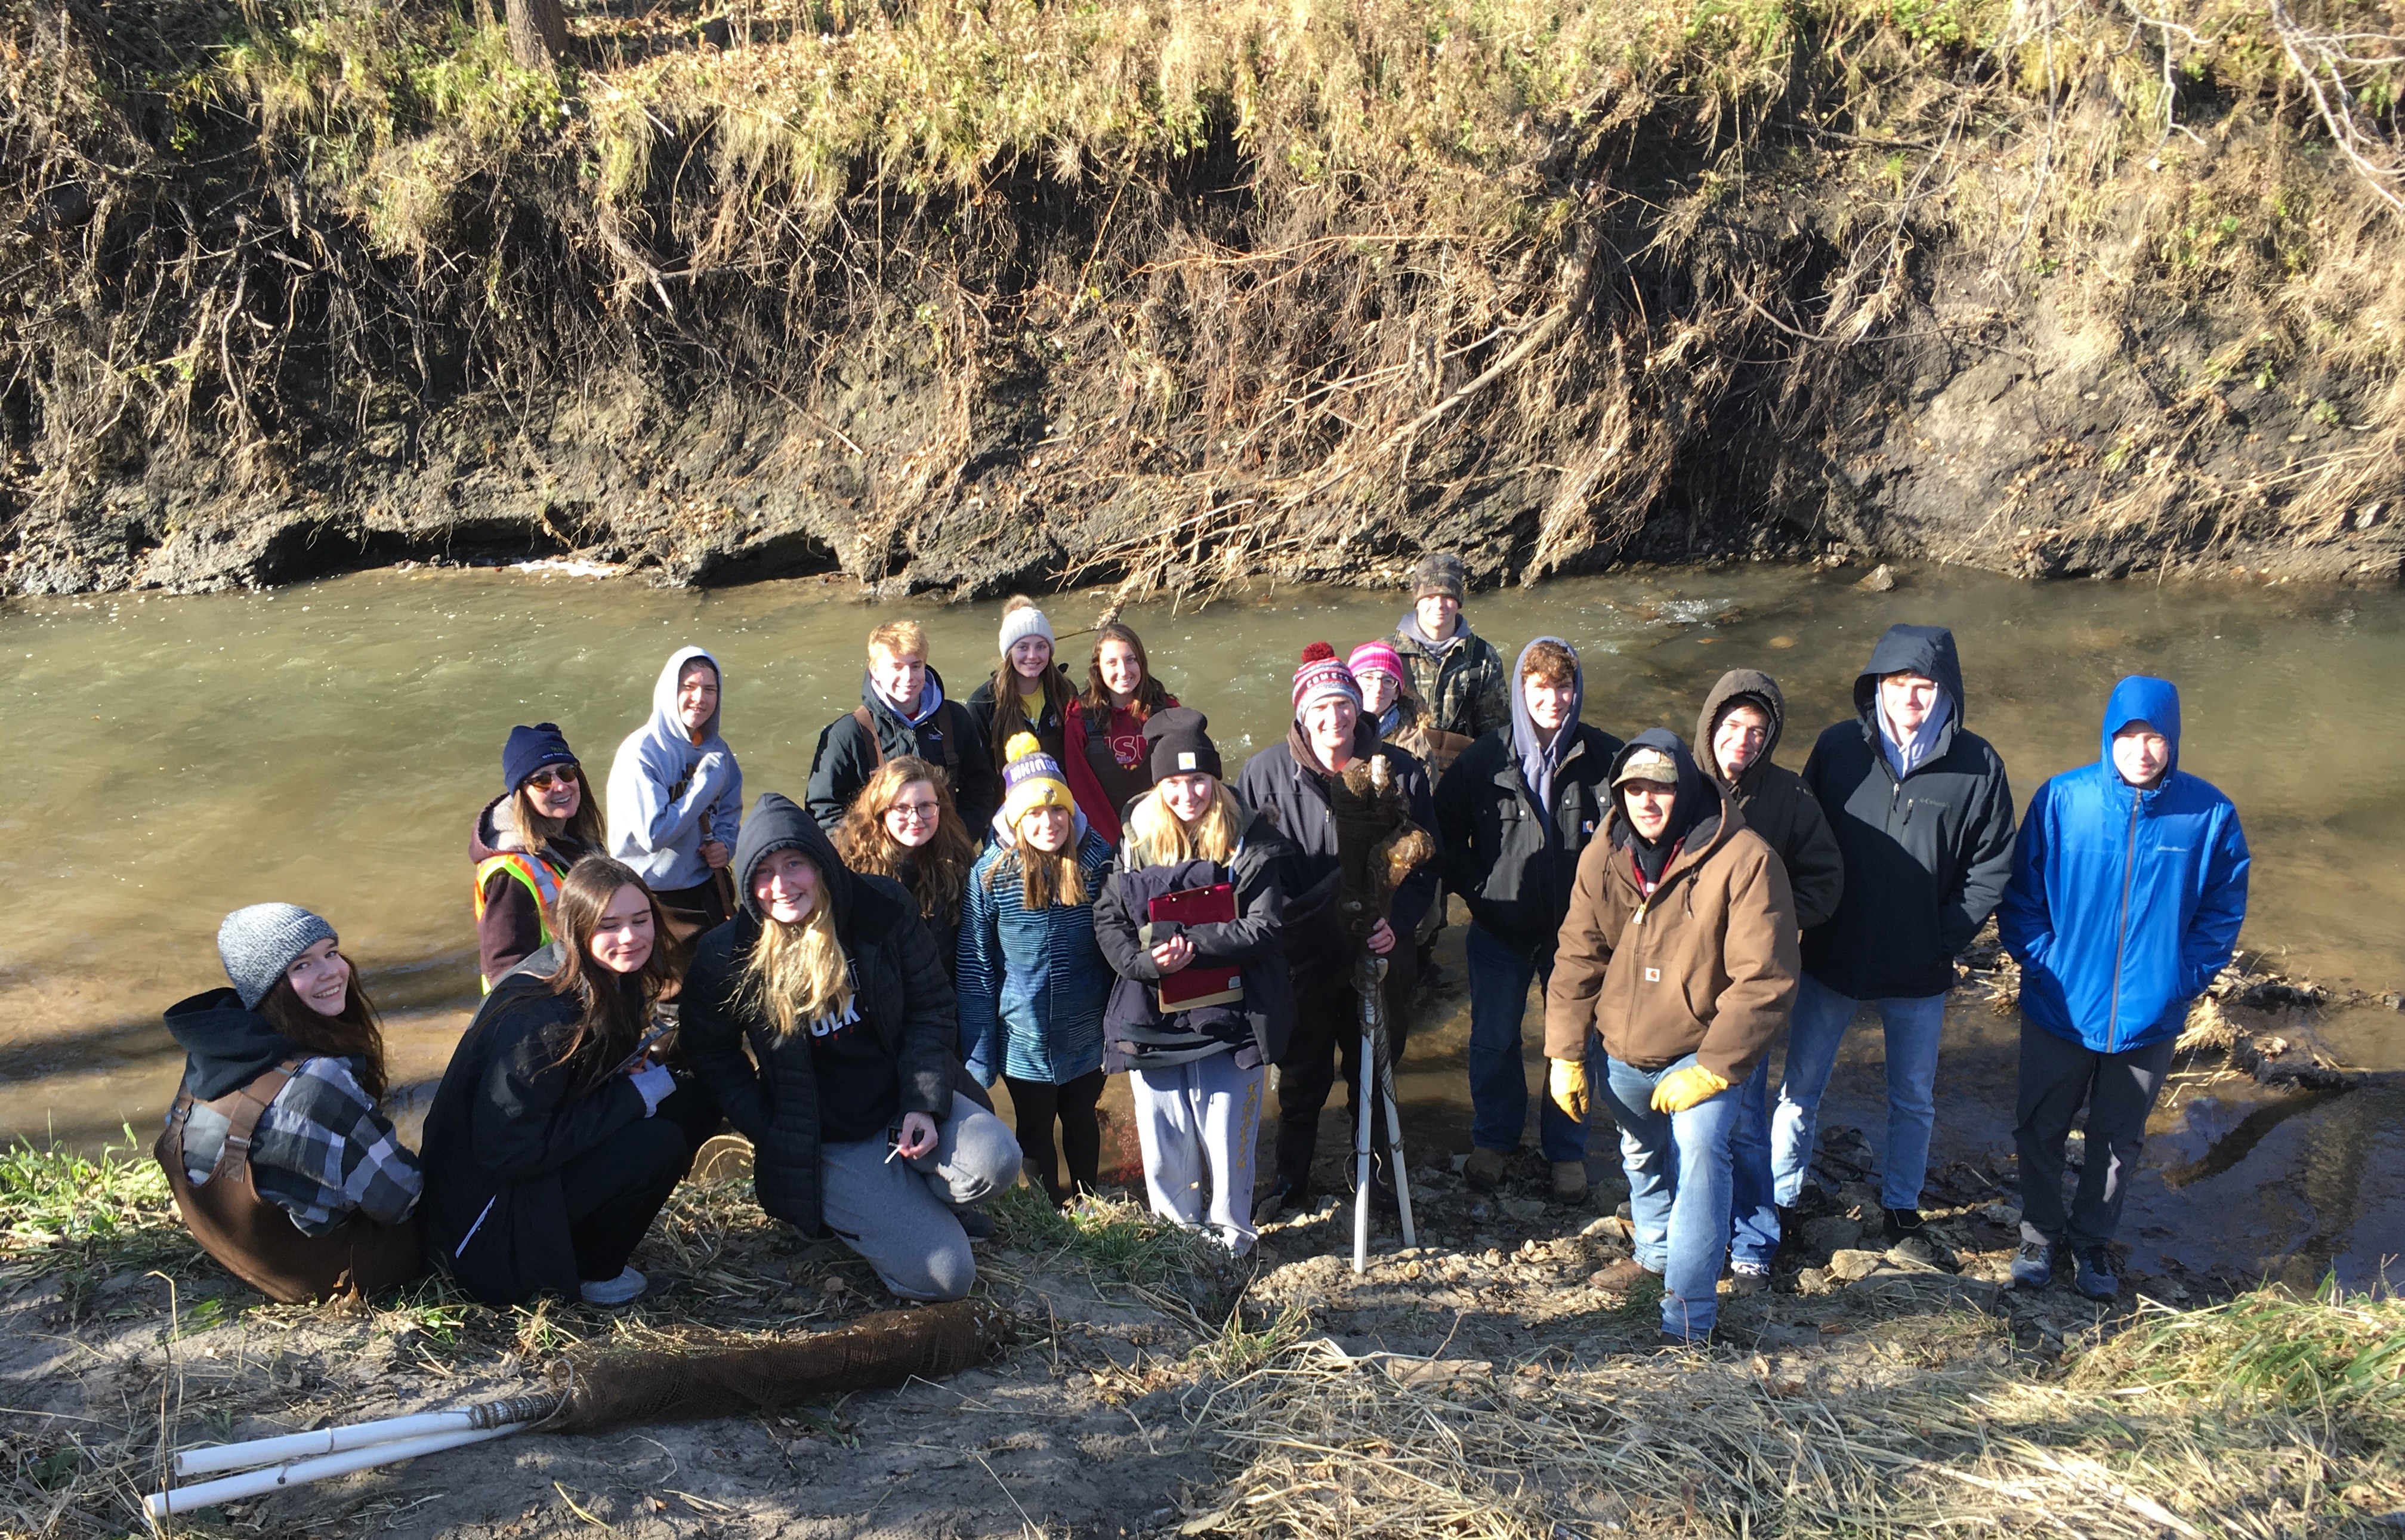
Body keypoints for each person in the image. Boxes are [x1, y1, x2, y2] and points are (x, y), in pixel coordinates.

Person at [681, 794, 1021, 1302]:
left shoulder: (880, 906)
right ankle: (854, 1206)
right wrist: (773, 1127)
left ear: (820, 861)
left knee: (997, 1159)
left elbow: (930, 1007)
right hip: (829, 1137)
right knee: (948, 1276)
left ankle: (904, 1195)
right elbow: (710, 1055)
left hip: (901, 1103)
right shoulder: (725, 954)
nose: (782, 885)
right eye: (764, 872)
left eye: (795, 863)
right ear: (748, 885)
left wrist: (922, 1104)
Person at [1542, 733, 1799, 1346]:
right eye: (1633, 788)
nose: (1646, 800)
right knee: (1640, 1157)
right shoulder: (1602, 854)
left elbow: (1763, 977)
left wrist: (1714, 1066)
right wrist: (1564, 1051)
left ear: (1686, 788)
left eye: (1660, 786)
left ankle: (1687, 1319)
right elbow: (1578, 955)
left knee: (1702, 1169)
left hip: (1700, 1051)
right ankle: (1652, 1256)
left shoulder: (1745, 859)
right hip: (1624, 1049)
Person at [1998, 676, 2248, 1300]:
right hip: (2058, 1003)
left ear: (2173, 742)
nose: (2140, 749)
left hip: (2149, 1016)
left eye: (2154, 736)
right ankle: (2037, 1234)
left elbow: (2221, 909)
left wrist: (2180, 980)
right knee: (2038, 1127)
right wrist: (2041, 962)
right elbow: (2021, 897)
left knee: (2117, 1139)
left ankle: (2088, 1242)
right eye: (2128, 735)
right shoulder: (2062, 798)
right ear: (2109, 736)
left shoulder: (2208, 814)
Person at [1773, 625, 2016, 1260]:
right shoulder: (1835, 749)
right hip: (1831, 953)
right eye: (1897, 683)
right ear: (1875, 687)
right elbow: (1802, 838)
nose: (1910, 697)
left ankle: (1901, 1206)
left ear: (1943, 690)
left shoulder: (1978, 765)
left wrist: (1944, 937)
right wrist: (1803, 917)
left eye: (1923, 685)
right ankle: (1781, 1194)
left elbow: (1990, 866)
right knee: (1800, 1086)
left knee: (1912, 1095)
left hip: (1919, 966)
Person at [421, 857, 715, 1307]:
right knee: (657, 1141)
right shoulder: (539, 1016)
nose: (630, 937)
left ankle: (588, 1238)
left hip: (518, 1176)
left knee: (691, 1098)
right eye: (609, 925)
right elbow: (508, 1148)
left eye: (640, 920)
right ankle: (594, 1270)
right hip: (483, 1228)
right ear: (574, 929)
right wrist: (630, 1099)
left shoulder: (609, 976)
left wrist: (621, 1081)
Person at [1235, 643, 1438, 1220]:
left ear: (1358, 708)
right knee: (1300, 1072)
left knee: (1374, 1066)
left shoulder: (1399, 770)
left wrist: (1397, 925)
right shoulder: (1263, 772)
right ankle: (1290, 1178)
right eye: (1321, 706)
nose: (1335, 718)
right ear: (1302, 712)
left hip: (1378, 941)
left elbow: (1430, 864)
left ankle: (1370, 1177)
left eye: (1344, 704)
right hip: (1300, 948)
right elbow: (1249, 869)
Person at [1092, 709, 1296, 1254]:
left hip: (1232, 1016)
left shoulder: (1251, 838)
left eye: (1199, 780)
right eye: (1175, 783)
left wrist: (1191, 946)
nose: (1188, 794)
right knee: (1164, 1141)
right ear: (1159, 787)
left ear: (1215, 780)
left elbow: (1267, 925)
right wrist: (1145, 964)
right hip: (1153, 1015)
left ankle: (1233, 1238)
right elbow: (1108, 918)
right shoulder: (1135, 839)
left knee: (1229, 1135)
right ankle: (1175, 1239)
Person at [1434, 638, 1623, 1201]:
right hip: (1499, 926)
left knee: (1574, 1045)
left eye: (1563, 686)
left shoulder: (1605, 758)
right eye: (1539, 687)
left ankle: (1565, 1151)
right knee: (1492, 1039)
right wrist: (1477, 891)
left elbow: (1631, 839)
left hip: (1579, 935)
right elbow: (1444, 830)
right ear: (1521, 690)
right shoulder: (1483, 757)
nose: (1553, 698)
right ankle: (1493, 1139)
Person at [158, 905, 424, 1303]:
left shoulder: (212, 1053)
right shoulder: (317, 1081)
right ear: (266, 986)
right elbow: (403, 1199)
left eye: (331, 952)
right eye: (301, 965)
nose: (331, 971)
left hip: (242, 1255)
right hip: (325, 1276)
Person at [1692, 671, 1846, 1290]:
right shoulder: (1679, 782)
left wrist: (1769, 924)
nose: (1743, 740)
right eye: (1732, 726)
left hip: (1746, 987)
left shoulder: (1790, 796)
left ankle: (1752, 1242)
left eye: (1757, 731)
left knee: (1745, 1120)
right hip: (1678, 982)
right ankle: (1685, 1230)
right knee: (1676, 1111)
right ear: (1710, 726)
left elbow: (1825, 882)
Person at [956, 733, 1117, 1205]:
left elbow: (1116, 946)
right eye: (1034, 813)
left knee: (1083, 1116)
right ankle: (1047, 1211)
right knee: (1033, 1126)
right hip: (1022, 1037)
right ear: (1014, 817)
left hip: (1088, 1028)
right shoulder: (990, 873)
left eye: (1058, 810)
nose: (1048, 823)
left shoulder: (1095, 860)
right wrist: (980, 1052)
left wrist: (1121, 1026)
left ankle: (1089, 1201)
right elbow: (977, 966)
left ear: (1071, 811)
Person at [806, 619, 999, 836]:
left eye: (916, 666)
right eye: (896, 667)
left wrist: (960, 837)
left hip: (948, 857)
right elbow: (823, 811)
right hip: (877, 860)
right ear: (875, 671)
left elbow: (981, 786)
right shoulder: (847, 734)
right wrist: (862, 852)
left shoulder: (956, 719)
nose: (908, 678)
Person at [607, 647, 743, 940]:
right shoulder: (642, 752)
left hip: (707, 888)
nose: (700, 698)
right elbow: (653, 834)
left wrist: (724, 844)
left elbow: (730, 808)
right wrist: (703, 785)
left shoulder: (717, 750)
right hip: (650, 896)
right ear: (670, 691)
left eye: (710, 689)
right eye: (689, 687)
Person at [471, 723, 604, 989]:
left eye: (566, 773)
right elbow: (504, 969)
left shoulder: (578, 842)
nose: (560, 786)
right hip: (549, 1006)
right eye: (542, 780)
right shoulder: (510, 873)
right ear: (522, 792)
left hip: (589, 993)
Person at [833, 755, 980, 976]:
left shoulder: (958, 857)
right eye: (901, 808)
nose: (915, 819)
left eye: (925, 806)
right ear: (881, 811)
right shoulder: (853, 866)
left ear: (940, 807)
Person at [1070, 621, 1178, 847]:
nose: (1124, 671)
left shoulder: (1170, 711)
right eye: (1112, 663)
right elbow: (1082, 792)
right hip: (1106, 841)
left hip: (1164, 831)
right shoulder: (1079, 718)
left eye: (1131, 660)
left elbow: (1183, 780)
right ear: (1097, 668)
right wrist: (1120, 843)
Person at [1388, 553, 1508, 742]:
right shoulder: (1385, 653)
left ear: (1459, 601)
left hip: (1461, 765)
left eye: (1447, 596)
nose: (1439, 605)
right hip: (1399, 765)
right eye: (1430, 596)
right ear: (1417, 602)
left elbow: (1497, 734)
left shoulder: (1484, 657)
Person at [1349, 640, 1472, 778]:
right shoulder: (1332, 730)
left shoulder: (1415, 746)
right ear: (1352, 684)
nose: (1378, 688)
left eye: (1388, 681)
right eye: (1368, 677)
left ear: (1397, 693)